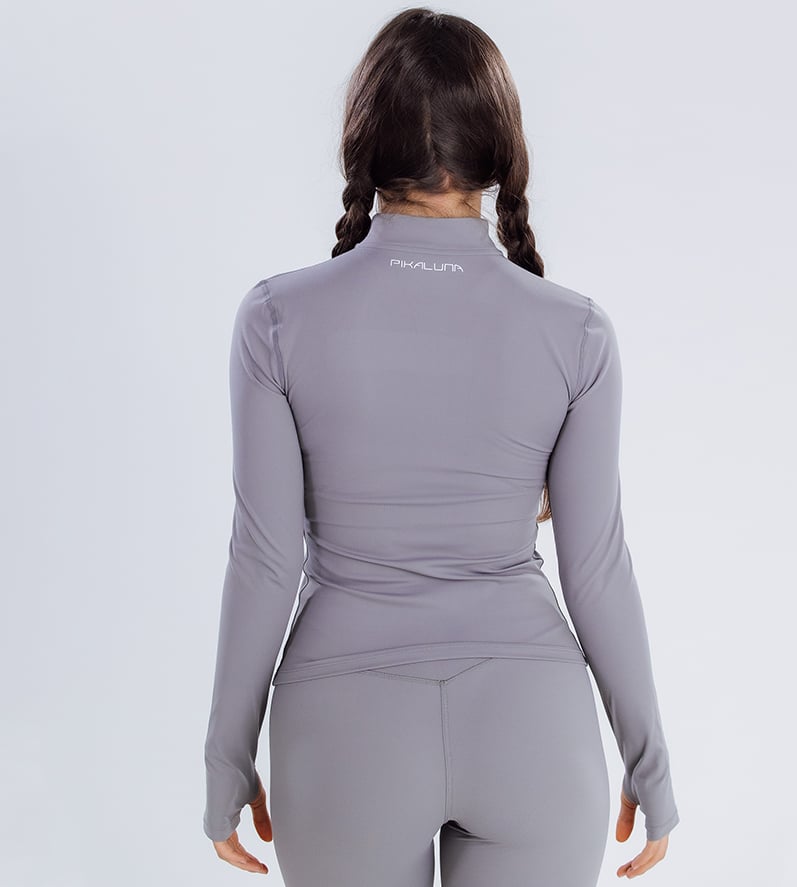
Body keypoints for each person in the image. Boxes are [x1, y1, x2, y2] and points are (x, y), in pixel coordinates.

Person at [202, 7, 679, 885]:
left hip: (343, 732)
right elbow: (596, 566)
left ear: (363, 146)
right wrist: (648, 759)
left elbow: (263, 561)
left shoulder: (275, 319)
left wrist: (225, 759)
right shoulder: (576, 331)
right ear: (499, 151)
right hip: (532, 727)